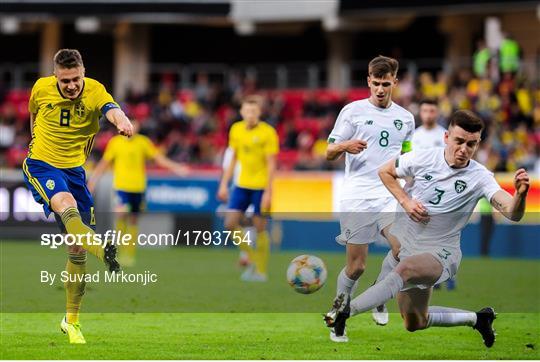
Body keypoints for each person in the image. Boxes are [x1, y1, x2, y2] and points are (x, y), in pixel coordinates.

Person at [325, 110, 529, 347]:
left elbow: (512, 213)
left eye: (471, 144)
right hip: (410, 246)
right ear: (446, 137)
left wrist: (520, 196)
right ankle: (479, 319)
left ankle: (345, 312)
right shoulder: (423, 158)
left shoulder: (480, 177)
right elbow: (385, 171)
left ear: (478, 144)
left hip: (441, 252)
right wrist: (406, 201)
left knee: (403, 270)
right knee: (415, 322)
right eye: (459, 141)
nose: (464, 149)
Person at [22, 49, 134, 344]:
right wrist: (35, 137)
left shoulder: (95, 91)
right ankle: (104, 251)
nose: (70, 85)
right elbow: (33, 111)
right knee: (65, 204)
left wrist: (121, 122)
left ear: (83, 73)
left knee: (76, 251)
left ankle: (71, 322)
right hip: (42, 163)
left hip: (75, 171)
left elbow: (112, 108)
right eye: (64, 80)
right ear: (55, 76)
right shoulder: (41, 88)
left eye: (75, 79)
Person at [324, 55, 415, 341]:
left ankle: (379, 293)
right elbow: (328, 151)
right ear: (368, 81)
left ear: (395, 83)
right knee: (357, 266)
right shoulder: (352, 112)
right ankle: (339, 313)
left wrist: (411, 182)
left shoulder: (406, 118)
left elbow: (407, 157)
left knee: (404, 250)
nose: (379, 89)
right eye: (375, 83)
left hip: (389, 193)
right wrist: (344, 145)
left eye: (385, 84)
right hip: (358, 196)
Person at [87, 120, 188, 266]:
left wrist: (176, 168)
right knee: (121, 215)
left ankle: (130, 254)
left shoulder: (143, 142)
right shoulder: (115, 143)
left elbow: (158, 159)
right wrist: (93, 181)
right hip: (121, 187)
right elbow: (104, 163)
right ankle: (120, 252)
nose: (131, 127)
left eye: (134, 124)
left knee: (133, 220)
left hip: (138, 188)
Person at [217, 95, 279, 281]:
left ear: (259, 112)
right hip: (241, 185)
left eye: (254, 111)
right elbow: (233, 158)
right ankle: (251, 258)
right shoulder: (236, 130)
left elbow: (271, 164)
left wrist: (269, 191)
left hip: (260, 187)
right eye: (247, 111)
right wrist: (223, 184)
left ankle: (260, 272)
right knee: (229, 224)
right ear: (242, 112)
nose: (251, 114)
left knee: (260, 229)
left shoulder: (268, 132)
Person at [411, 99, 456, 290]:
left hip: (443, 191)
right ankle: (433, 275)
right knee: (424, 236)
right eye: (425, 110)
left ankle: (449, 273)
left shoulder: (445, 135)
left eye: (432, 110)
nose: (428, 114)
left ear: (437, 113)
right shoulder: (414, 136)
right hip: (421, 191)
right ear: (420, 113)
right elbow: (408, 162)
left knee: (444, 235)